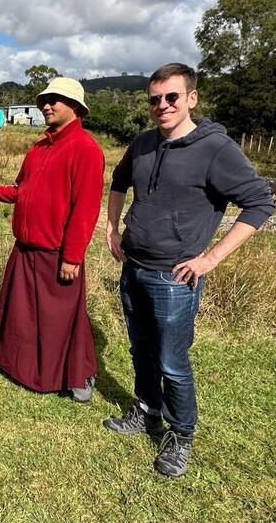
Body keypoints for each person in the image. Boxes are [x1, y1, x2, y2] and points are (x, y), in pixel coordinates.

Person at [104, 63, 275, 477]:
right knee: (140, 349)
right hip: (134, 268)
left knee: (171, 361)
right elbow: (119, 180)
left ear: (191, 98)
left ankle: (180, 434)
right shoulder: (143, 143)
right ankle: (146, 411)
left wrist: (210, 258)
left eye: (171, 97)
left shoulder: (216, 149)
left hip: (175, 279)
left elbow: (260, 203)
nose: (162, 105)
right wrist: (111, 230)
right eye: (154, 99)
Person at [0, 77, 104, 402]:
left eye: (55, 100)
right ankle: (20, 368)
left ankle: (77, 375)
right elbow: (24, 191)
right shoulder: (38, 149)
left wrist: (72, 257)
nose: (47, 105)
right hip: (25, 250)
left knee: (60, 322)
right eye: (44, 100)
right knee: (25, 316)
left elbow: (85, 210)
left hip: (58, 254)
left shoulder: (86, 149)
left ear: (75, 106)